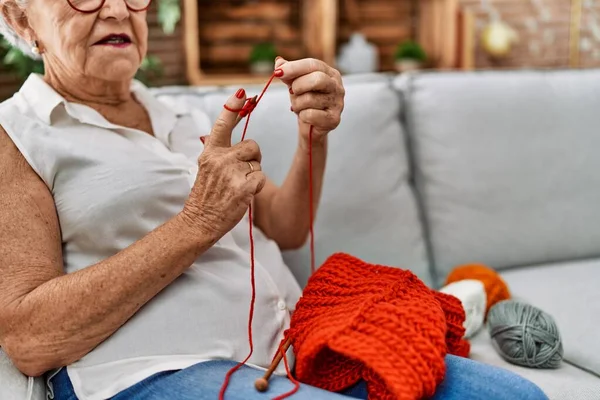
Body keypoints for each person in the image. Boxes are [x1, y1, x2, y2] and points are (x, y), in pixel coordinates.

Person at [0, 0, 549, 399]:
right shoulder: (18, 134)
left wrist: (316, 134)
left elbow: (284, 229)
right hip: (156, 370)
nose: (119, 10)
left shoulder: (180, 115)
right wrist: (197, 222)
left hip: (296, 347)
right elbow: (28, 337)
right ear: (19, 19)